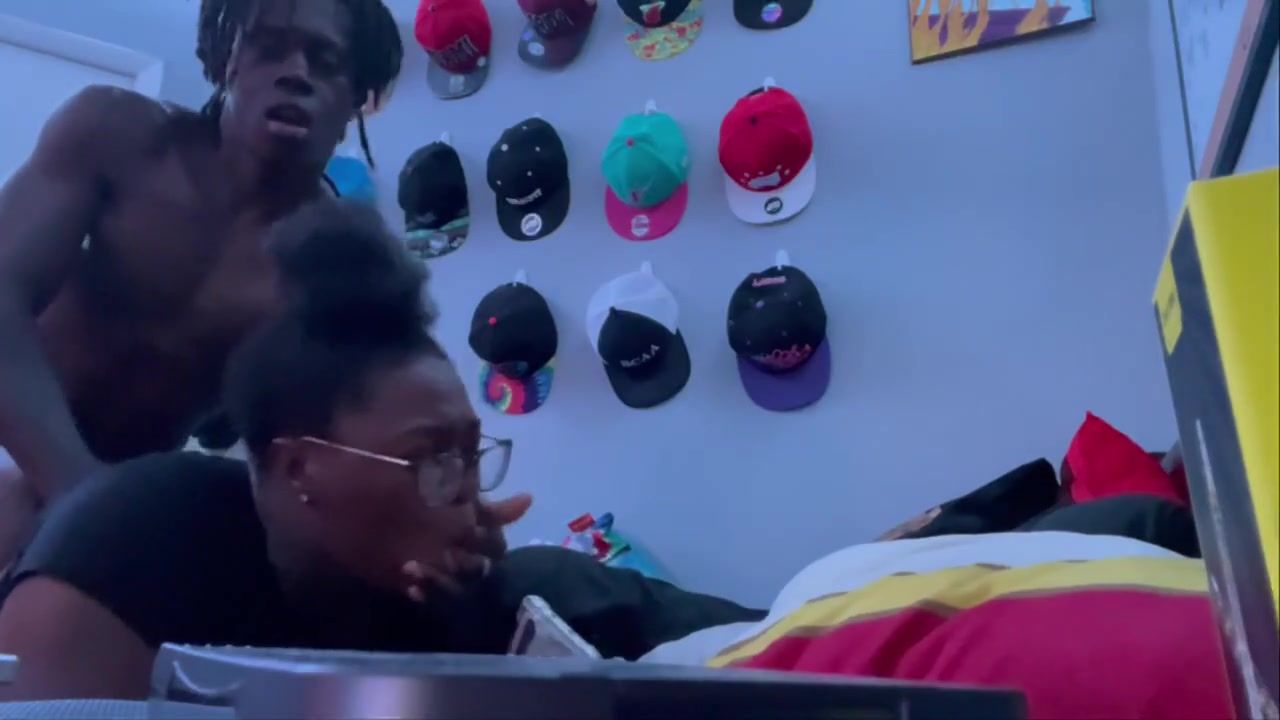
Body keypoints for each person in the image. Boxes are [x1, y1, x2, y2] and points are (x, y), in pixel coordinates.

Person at [0, 203, 764, 700]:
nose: (467, 495)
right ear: (300, 468)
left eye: (473, 457)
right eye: (433, 461)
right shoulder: (129, 549)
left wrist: (468, 618)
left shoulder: (434, 591)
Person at [0, 0, 486, 569]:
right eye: (269, 48)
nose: (295, 73)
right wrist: (72, 487)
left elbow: (397, 421)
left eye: (326, 61)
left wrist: (450, 519)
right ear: (226, 62)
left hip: (114, 502)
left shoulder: (340, 266)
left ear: (358, 98)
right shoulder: (117, 135)